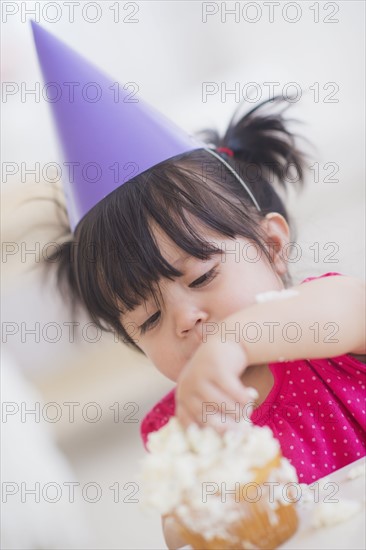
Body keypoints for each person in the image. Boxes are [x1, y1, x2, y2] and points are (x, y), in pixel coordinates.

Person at [31, 22, 365, 550]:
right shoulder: (177, 428)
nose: (185, 318)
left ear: (273, 248)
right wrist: (203, 480)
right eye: (147, 320)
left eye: (203, 275)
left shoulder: (327, 327)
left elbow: (355, 306)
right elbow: (184, 534)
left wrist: (232, 342)